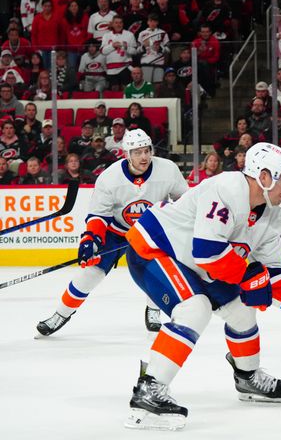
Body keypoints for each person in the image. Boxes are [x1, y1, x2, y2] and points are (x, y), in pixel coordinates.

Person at [123, 143, 281, 430]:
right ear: (264, 176)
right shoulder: (225, 189)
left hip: (197, 264)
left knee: (242, 310)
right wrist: (249, 275)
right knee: (193, 309)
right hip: (156, 250)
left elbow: (274, 271)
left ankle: (247, 378)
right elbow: (208, 251)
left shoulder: (270, 214)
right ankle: (149, 391)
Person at [37, 130, 187, 340]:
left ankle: (153, 309)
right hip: (116, 232)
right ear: (127, 154)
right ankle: (61, 314)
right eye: (137, 152)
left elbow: (185, 201)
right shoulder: (109, 177)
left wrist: (176, 221)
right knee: (91, 274)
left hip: (150, 232)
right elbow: (99, 215)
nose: (144, 157)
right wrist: (91, 239)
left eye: (147, 151)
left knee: (158, 272)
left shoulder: (168, 170)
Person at [101, 15, 138, 91]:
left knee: (126, 89)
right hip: (111, 69)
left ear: (123, 24)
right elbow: (102, 51)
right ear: (112, 24)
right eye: (116, 23)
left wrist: (126, 47)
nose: (118, 25)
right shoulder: (106, 35)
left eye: (120, 23)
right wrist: (112, 46)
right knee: (114, 90)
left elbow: (135, 51)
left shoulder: (129, 35)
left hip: (125, 67)